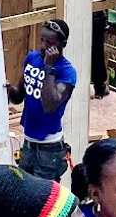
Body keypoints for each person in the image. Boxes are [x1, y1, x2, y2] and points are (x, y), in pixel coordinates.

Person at [5, 18, 75, 180]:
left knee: (43, 199)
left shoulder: (66, 72)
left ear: (62, 44)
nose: (43, 46)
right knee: (25, 192)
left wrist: (49, 67)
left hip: (49, 148)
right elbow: (18, 97)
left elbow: (49, 105)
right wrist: (9, 89)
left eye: (50, 43)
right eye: (42, 40)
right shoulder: (32, 58)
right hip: (28, 144)